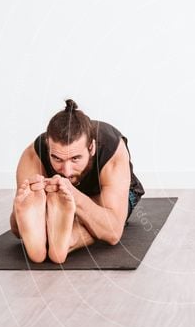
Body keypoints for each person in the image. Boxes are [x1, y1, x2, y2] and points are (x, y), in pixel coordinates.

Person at [9, 99, 144, 264]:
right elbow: (16, 229)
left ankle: (66, 240)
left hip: (103, 196)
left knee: (102, 217)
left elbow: (113, 231)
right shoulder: (33, 154)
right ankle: (58, 235)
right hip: (59, 196)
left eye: (75, 158)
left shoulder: (111, 148)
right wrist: (23, 209)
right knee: (24, 217)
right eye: (57, 158)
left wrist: (73, 195)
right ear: (48, 146)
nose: (66, 171)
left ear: (92, 148)